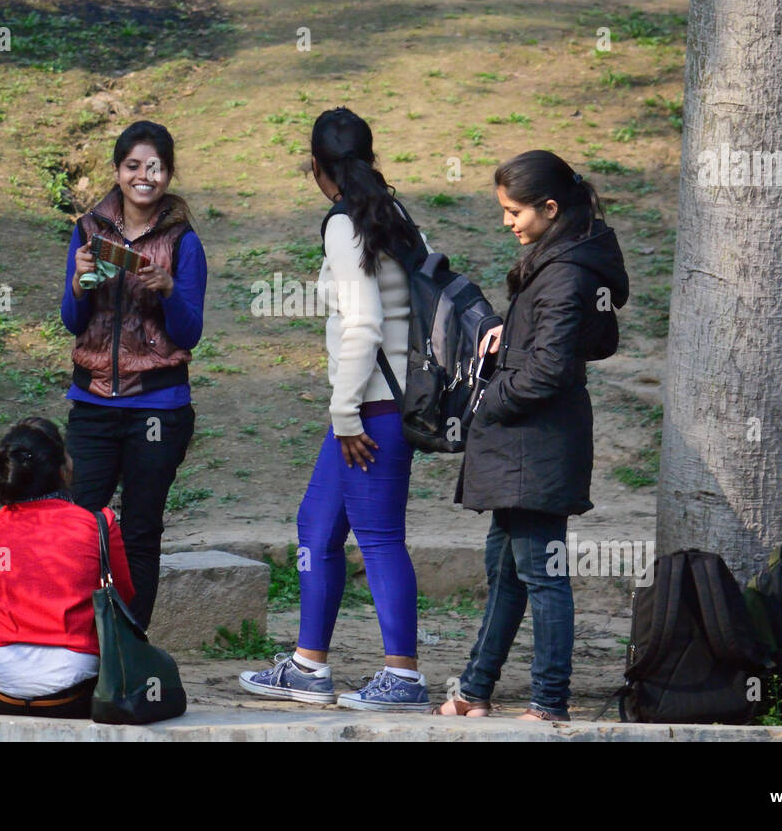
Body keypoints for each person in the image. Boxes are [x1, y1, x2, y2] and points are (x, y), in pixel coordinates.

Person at [238, 106, 430, 711]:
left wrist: (345, 414)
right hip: (369, 405)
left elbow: (365, 324)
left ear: (317, 166)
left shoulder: (347, 224)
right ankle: (307, 666)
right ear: (369, 159)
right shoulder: (392, 214)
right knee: (316, 526)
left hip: (371, 410)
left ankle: (403, 676)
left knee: (377, 539)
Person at [436, 150, 628, 721]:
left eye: (514, 211)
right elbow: (589, 341)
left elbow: (551, 370)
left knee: (541, 578)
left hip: (533, 444)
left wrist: (485, 402)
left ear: (550, 207)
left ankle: (549, 702)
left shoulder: (567, 272)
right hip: (527, 444)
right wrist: (508, 334)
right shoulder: (567, 261)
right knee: (507, 574)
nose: (507, 221)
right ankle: (474, 690)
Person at [60, 121, 207, 630]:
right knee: (77, 526)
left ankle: (129, 639)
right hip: (94, 403)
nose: (145, 176)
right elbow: (71, 322)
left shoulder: (184, 242)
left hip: (158, 408)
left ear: (168, 174)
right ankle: (73, 638)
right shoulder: (87, 230)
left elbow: (189, 335)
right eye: (134, 166)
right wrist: (79, 285)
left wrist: (168, 288)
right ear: (118, 171)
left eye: (156, 167)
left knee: (141, 531)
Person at [0, 417, 134, 718]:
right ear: (62, 470)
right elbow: (124, 596)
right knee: (131, 676)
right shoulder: (99, 523)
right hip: (75, 688)